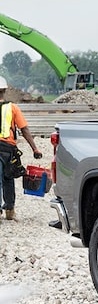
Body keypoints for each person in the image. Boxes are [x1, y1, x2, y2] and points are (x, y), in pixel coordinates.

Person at [0, 77, 43, 221]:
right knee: (8, 177)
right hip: (9, 149)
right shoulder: (13, 108)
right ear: (5, 91)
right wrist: (35, 149)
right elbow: (24, 129)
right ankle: (10, 209)